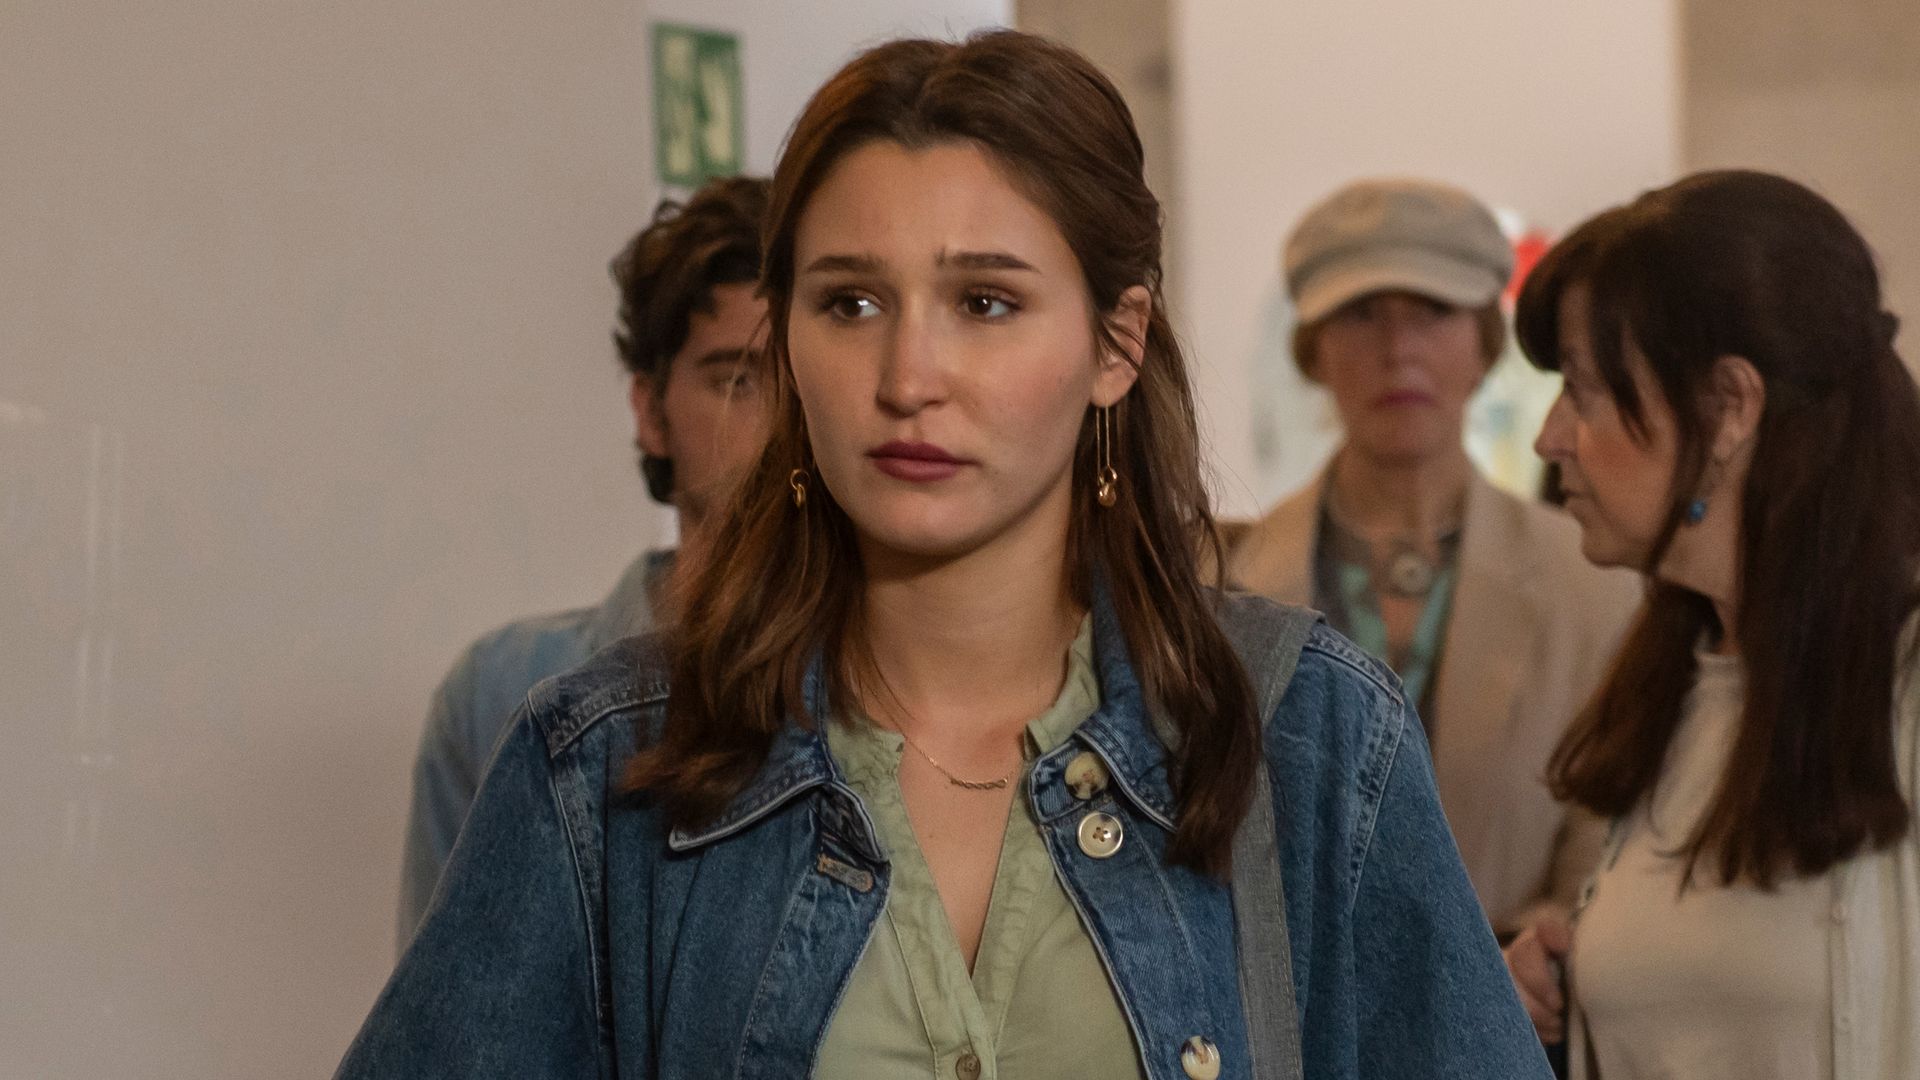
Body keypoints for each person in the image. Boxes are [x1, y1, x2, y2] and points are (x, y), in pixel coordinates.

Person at [341, 31, 1548, 1079]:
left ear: (1116, 342)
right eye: (851, 304)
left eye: (985, 303)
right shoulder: (609, 766)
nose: (908, 379)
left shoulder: (1304, 731)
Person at [1503, 170, 1920, 1079]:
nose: (1550, 438)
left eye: (1582, 389)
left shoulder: (1903, 684)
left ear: (1728, 407)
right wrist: (1578, 987)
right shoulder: (1675, 681)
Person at [1227, 178, 1640, 939]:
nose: (1399, 349)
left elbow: (1606, 829)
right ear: (1313, 350)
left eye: (1434, 311)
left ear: (1485, 342)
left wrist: (1556, 936)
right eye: (1361, 314)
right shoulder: (1220, 586)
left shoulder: (1593, 587)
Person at [394, 176, 772, 947]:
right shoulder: (507, 693)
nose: (776, 428)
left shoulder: (903, 680)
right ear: (651, 410)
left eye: (804, 384)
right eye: (736, 380)